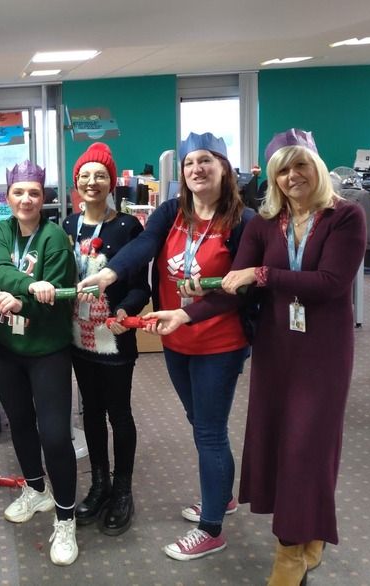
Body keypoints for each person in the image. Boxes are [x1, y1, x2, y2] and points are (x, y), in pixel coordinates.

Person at [154, 129, 365, 585]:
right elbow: (235, 289)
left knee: (308, 447)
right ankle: (309, 538)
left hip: (322, 354)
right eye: (282, 170)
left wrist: (264, 272)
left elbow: (330, 283)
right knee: (277, 442)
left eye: (300, 166)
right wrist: (185, 316)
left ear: (317, 168)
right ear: (272, 177)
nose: (292, 177)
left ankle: (289, 554)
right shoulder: (267, 223)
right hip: (275, 349)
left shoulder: (344, 217)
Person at [79, 132, 255, 561]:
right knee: (200, 423)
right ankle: (223, 498)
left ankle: (211, 527)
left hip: (219, 340)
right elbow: (144, 246)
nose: (197, 169)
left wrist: (187, 315)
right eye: (190, 162)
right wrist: (111, 274)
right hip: (176, 339)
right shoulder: (171, 212)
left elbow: (239, 289)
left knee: (210, 431)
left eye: (207, 161)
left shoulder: (244, 221)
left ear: (225, 168)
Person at [0, 160, 79, 566]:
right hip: (6, 349)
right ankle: (35, 489)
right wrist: (25, 289)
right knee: (19, 424)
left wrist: (20, 299)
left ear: (45, 198)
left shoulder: (54, 238)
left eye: (34, 193)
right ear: (7, 196)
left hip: (47, 351)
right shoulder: (0, 230)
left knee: (56, 435)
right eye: (18, 192)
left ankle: (65, 518)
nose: (26, 199)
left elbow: (57, 296)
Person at [62, 143, 150, 535]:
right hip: (79, 339)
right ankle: (99, 484)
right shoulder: (66, 226)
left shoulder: (128, 227)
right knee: (91, 413)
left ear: (111, 182)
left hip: (113, 338)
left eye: (100, 175)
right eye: (85, 176)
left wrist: (123, 313)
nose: (92, 182)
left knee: (119, 413)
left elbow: (140, 287)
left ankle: (123, 490)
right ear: (76, 182)